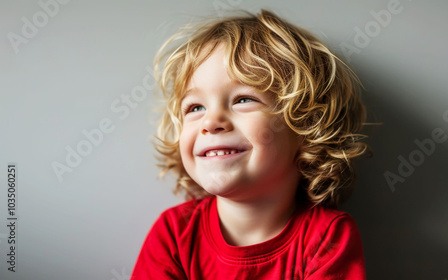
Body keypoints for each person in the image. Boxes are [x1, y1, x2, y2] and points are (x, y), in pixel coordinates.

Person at [132, 9, 369, 279]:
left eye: (243, 99)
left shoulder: (327, 238)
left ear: (306, 125)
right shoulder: (173, 234)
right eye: (195, 107)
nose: (211, 122)